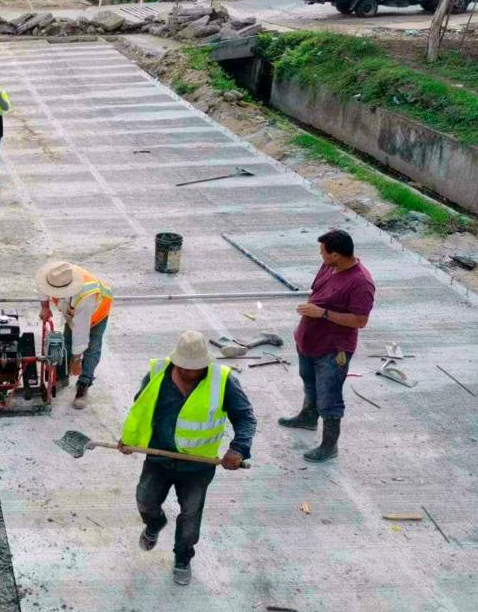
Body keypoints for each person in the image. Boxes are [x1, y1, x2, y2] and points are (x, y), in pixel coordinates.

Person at [119, 330, 256, 586]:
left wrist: (238, 449)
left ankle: (183, 558)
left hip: (197, 466)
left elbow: (246, 418)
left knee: (191, 516)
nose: (190, 373)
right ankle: (155, 523)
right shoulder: (157, 373)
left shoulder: (223, 381)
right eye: (185, 367)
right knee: (145, 501)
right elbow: (141, 407)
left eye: (196, 368)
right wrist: (130, 440)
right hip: (158, 458)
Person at [279, 229, 375, 463]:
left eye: (323, 252)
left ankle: (329, 445)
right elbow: (318, 294)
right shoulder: (329, 266)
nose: (320, 255)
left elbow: (360, 321)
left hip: (333, 349)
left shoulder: (361, 282)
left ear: (336, 255)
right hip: (309, 341)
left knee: (329, 396)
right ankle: (308, 417)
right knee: (308, 380)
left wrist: (322, 313)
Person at [36, 260, 113, 409]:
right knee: (66, 342)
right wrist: (44, 307)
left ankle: (83, 384)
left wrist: (77, 359)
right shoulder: (54, 274)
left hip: (97, 313)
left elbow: (81, 332)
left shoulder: (85, 298)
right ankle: (62, 377)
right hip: (73, 311)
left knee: (91, 348)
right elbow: (42, 287)